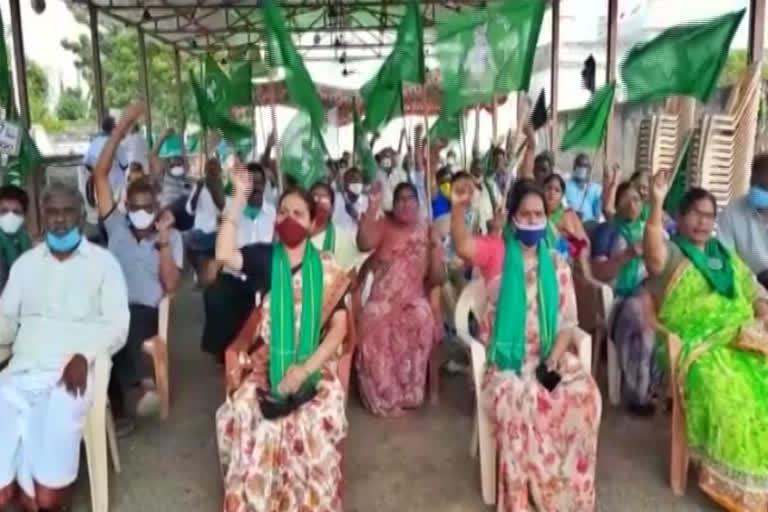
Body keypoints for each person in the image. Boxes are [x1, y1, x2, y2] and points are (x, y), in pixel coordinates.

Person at [450, 177, 601, 510]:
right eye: (526, 214)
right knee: (523, 403)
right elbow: (462, 247)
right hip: (506, 365)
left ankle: (567, 494)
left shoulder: (556, 263)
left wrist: (553, 361)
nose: (533, 221)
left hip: (548, 357)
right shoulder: (497, 251)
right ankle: (530, 497)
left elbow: (566, 323)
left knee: (585, 396)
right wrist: (459, 209)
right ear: (513, 216)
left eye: (539, 215)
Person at [214, 171, 351, 511]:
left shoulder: (327, 267)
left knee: (312, 421)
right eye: (283, 212)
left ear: (311, 222)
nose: (288, 219)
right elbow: (222, 253)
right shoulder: (265, 258)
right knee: (246, 410)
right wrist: (238, 197)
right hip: (266, 363)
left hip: (315, 369)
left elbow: (338, 330)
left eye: (298, 214)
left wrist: (303, 371)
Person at [0, 182, 129, 512]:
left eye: (66, 211)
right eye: (52, 212)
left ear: (81, 215)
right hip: (19, 373)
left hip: (68, 376)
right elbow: (5, 323)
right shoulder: (25, 265)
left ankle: (34, 484)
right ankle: (14, 480)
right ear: (43, 218)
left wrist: (84, 357)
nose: (59, 219)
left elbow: (117, 325)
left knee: (46, 500)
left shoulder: (104, 264)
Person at [645, 172, 768, 510]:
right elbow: (652, 254)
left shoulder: (724, 255)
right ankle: (742, 484)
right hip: (697, 348)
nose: (703, 222)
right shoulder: (673, 254)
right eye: (696, 214)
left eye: (709, 215)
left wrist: (761, 308)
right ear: (681, 218)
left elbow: (753, 289)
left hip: (742, 340)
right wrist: (656, 203)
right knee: (732, 400)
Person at [92, 103, 184, 428]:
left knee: (127, 326)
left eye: (149, 206)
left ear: (156, 206)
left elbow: (171, 286)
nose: (142, 211)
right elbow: (100, 175)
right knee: (103, 335)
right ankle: (129, 394)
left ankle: (133, 394)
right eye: (137, 206)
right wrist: (122, 127)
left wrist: (161, 241)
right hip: (109, 306)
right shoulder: (116, 227)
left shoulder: (170, 237)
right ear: (127, 206)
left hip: (145, 311)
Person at [355, 182, 445, 416]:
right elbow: (364, 243)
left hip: (412, 299)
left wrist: (435, 248)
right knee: (372, 319)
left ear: (418, 203)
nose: (406, 203)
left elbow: (436, 279)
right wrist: (373, 205)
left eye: (410, 198)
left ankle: (410, 394)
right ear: (393, 206)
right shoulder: (384, 224)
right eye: (400, 199)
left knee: (422, 316)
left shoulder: (427, 230)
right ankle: (383, 396)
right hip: (382, 300)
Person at [591, 181, 660, 414]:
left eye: (638, 200)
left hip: (651, 295)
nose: (633, 204)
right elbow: (599, 272)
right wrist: (628, 254)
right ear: (616, 203)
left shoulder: (650, 232)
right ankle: (639, 394)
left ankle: (663, 390)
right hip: (620, 300)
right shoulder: (607, 232)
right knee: (641, 319)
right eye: (627, 199)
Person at [200, 161, 276, 358]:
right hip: (233, 273)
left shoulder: (274, 214)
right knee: (214, 296)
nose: (256, 187)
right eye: (252, 183)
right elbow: (215, 191)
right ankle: (223, 353)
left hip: (259, 279)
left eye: (260, 183)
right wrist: (213, 175)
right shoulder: (233, 209)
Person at [718, 153, 768, 289]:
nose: (757, 190)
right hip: (749, 286)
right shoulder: (732, 214)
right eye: (754, 183)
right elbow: (725, 258)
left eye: (764, 186)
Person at [309, 181, 361, 271]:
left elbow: (349, 278)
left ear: (332, 209)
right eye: (314, 197)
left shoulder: (341, 239)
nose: (319, 202)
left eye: (324, 199)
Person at [542, 173, 589, 260]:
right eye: (548, 188)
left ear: (562, 195)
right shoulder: (536, 213)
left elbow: (584, 244)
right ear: (542, 190)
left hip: (566, 260)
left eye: (557, 190)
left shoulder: (569, 214)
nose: (552, 193)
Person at [83, 116, 129, 201]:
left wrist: (97, 172)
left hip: (99, 185)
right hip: (115, 184)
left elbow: (86, 163)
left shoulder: (94, 142)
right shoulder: (115, 143)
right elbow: (125, 165)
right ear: (113, 128)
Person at [0, 185, 31, 293]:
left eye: (16, 212)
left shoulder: (25, 243)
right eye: (4, 211)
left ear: (24, 215)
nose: (10, 216)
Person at [565, 153, 602, 223]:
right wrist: (573, 215)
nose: (582, 168)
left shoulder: (596, 189)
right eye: (579, 165)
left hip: (589, 226)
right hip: (570, 225)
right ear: (574, 167)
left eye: (585, 166)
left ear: (589, 169)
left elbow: (598, 215)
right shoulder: (566, 186)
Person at [332, 166, 368, 234]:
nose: (356, 182)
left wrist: (356, 216)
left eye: (358, 180)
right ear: (345, 184)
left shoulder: (368, 202)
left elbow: (371, 227)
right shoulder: (335, 200)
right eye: (352, 179)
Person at [376, 147, 410, 212]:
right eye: (383, 156)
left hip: (398, 212)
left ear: (393, 158)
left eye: (388, 156)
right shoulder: (376, 174)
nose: (385, 159)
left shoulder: (401, 173)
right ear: (380, 158)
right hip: (382, 214)